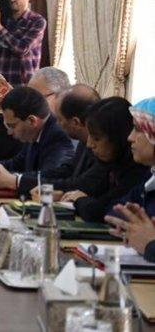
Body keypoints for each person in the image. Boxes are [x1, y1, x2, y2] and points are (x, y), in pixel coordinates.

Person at [55, 98, 149, 222]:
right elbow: (84, 188)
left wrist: (79, 200)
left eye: (97, 138)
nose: (89, 144)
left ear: (118, 139)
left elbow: (101, 211)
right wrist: (67, 195)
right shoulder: (109, 163)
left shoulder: (139, 171)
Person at [0, 86, 75, 195]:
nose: (9, 132)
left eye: (12, 126)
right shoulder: (33, 133)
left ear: (32, 121)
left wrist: (13, 181)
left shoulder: (58, 135)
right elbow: (17, 163)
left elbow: (50, 179)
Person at [28, 85, 103, 200]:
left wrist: (18, 182)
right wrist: (20, 179)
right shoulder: (83, 140)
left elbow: (81, 184)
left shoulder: (104, 148)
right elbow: (67, 171)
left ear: (75, 122)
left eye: (60, 119)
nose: (57, 124)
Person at [104, 98, 155, 259]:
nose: (130, 137)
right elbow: (114, 211)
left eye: (138, 129)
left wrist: (150, 244)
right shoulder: (150, 177)